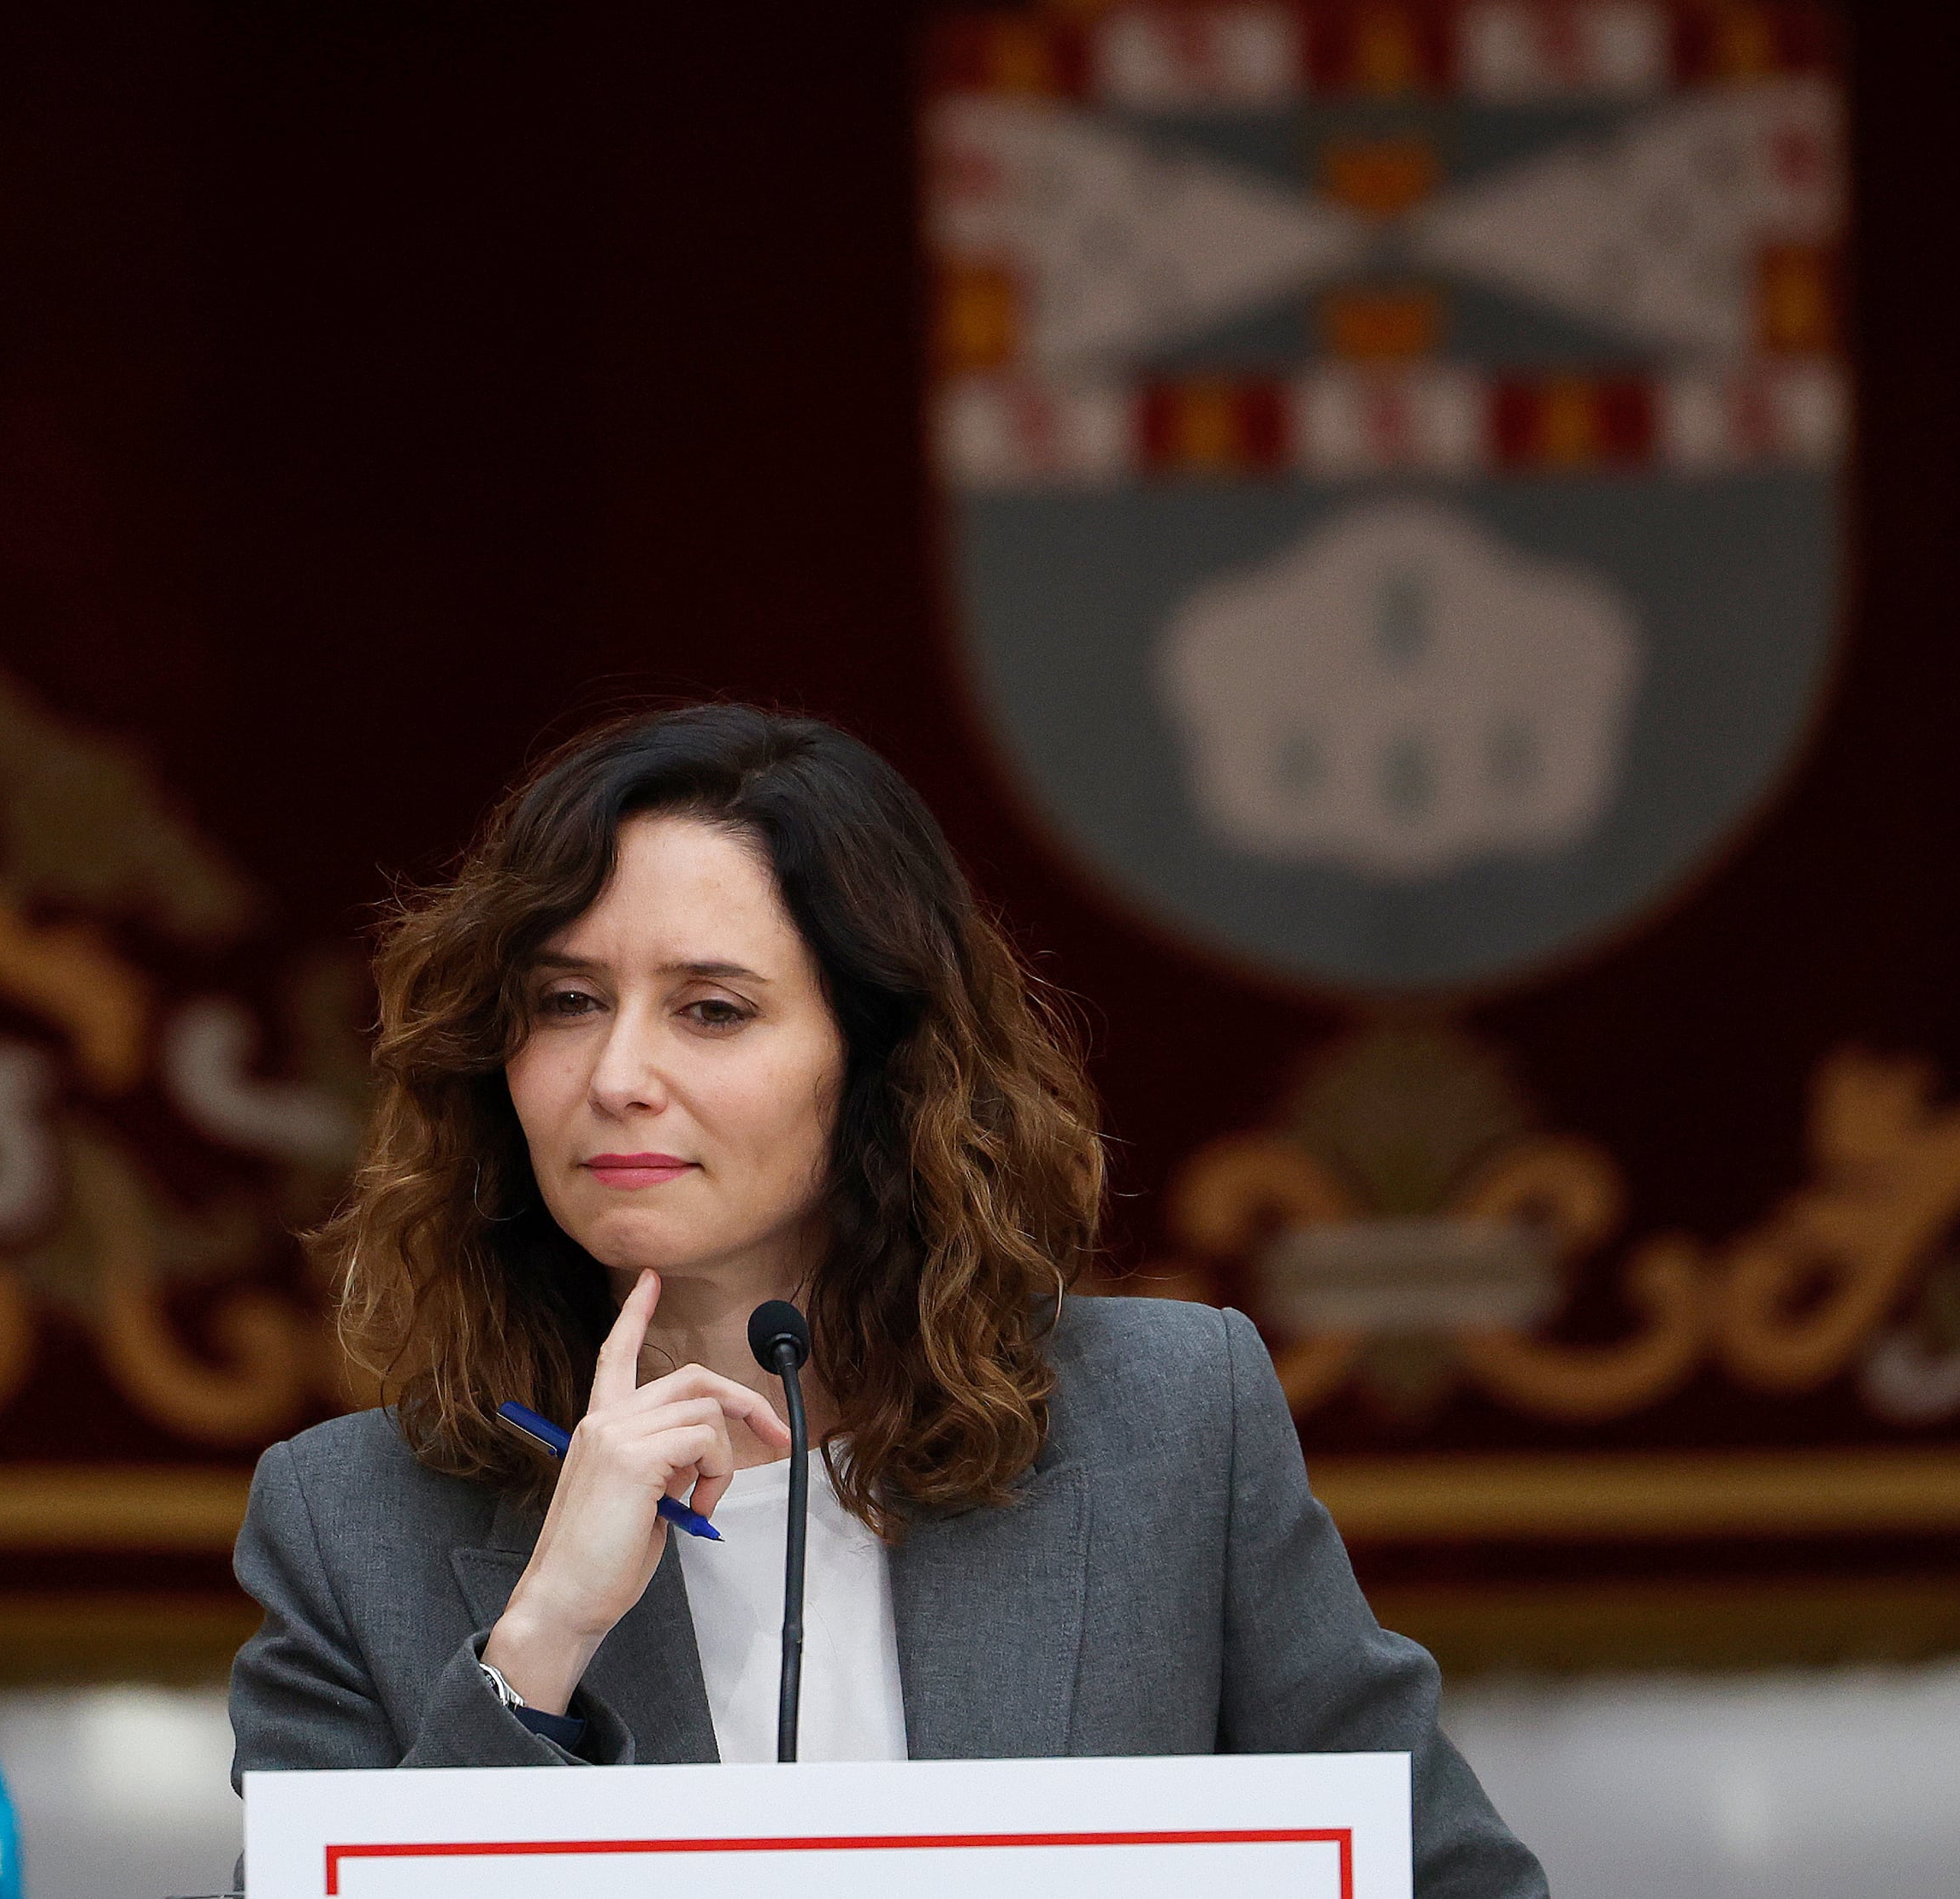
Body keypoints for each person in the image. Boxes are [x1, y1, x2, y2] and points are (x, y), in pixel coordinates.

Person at [226, 702, 1549, 1896]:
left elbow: (1447, 1879)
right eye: (567, 1001)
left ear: (877, 1059)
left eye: (712, 1009)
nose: (618, 1072)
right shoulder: (349, 1523)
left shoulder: (1171, 1421)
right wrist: (535, 1650)